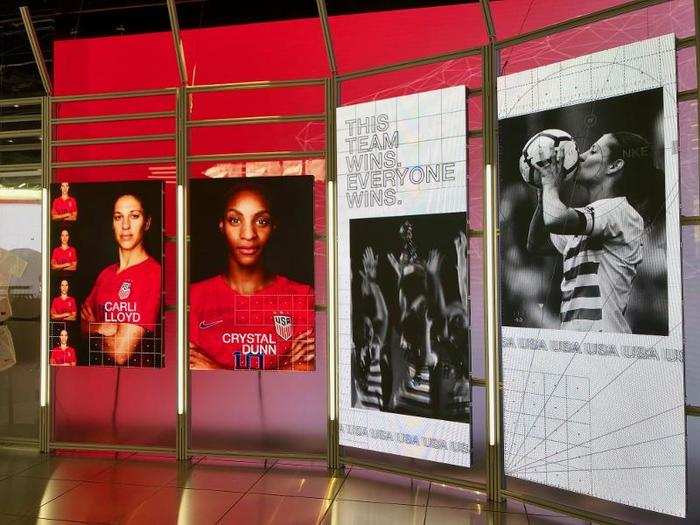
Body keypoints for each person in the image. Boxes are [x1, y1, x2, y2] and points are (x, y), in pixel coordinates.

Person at [526, 132, 659, 333]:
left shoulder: (620, 210)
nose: (581, 156)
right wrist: (543, 194)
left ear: (615, 166)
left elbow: (554, 219)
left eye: (594, 151)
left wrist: (550, 185)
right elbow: (536, 244)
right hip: (579, 345)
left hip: (605, 343)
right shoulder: (588, 219)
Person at [189, 183, 315, 371]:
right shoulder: (194, 296)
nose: (248, 234)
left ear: (273, 227)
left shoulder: (301, 296)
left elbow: (303, 372)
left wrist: (216, 370)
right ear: (221, 225)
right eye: (235, 220)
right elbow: (189, 374)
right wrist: (282, 368)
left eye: (261, 221)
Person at [81, 193, 161, 366]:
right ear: (113, 223)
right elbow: (78, 328)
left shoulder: (153, 274)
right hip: (98, 378)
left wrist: (92, 327)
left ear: (146, 223)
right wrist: (99, 327)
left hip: (138, 383)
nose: (125, 225)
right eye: (118, 217)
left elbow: (120, 352)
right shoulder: (105, 274)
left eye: (134, 216)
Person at [352, 247, 392, 410]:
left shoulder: (375, 348)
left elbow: (384, 317)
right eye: (364, 328)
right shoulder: (351, 352)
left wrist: (373, 282)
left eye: (370, 327)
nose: (369, 331)